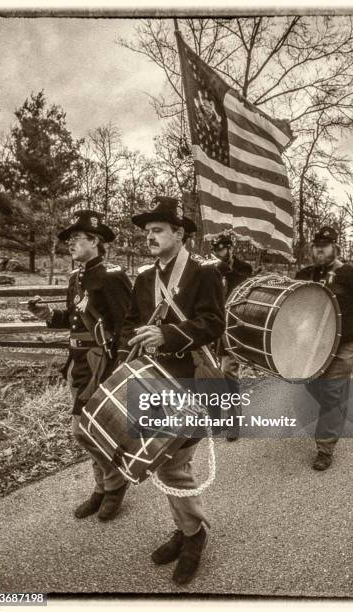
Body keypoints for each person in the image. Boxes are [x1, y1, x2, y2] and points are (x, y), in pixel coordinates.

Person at [117, 195, 225, 585]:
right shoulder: (144, 278)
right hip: (151, 379)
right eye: (147, 231)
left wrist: (167, 334)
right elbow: (130, 322)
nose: (149, 236)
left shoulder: (203, 272)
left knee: (174, 464)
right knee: (163, 460)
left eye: (157, 229)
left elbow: (213, 324)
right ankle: (184, 530)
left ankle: (194, 536)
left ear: (179, 233)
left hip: (190, 379)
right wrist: (138, 338)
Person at [27, 209, 132, 519]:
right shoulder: (76, 277)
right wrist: (46, 315)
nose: (70, 244)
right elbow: (73, 321)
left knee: (83, 431)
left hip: (103, 365)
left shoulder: (112, 276)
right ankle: (102, 487)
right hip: (78, 364)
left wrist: (119, 369)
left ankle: (113, 485)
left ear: (95, 241)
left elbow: (126, 325)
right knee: (90, 431)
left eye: (76, 239)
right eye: (69, 239)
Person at [295, 226, 353, 471]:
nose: (319, 250)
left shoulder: (352, 276)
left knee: (332, 393)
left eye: (324, 246)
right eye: (316, 246)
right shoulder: (304, 275)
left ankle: (325, 448)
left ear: (336, 247)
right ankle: (335, 410)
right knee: (310, 383)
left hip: (344, 343)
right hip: (314, 345)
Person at [210, 232, 253, 441]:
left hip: (234, 329)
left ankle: (234, 421)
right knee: (212, 374)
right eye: (215, 250)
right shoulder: (210, 270)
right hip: (212, 329)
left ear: (230, 248)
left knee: (228, 372)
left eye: (221, 249)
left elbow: (245, 292)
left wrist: (227, 270)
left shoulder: (243, 268)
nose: (218, 253)